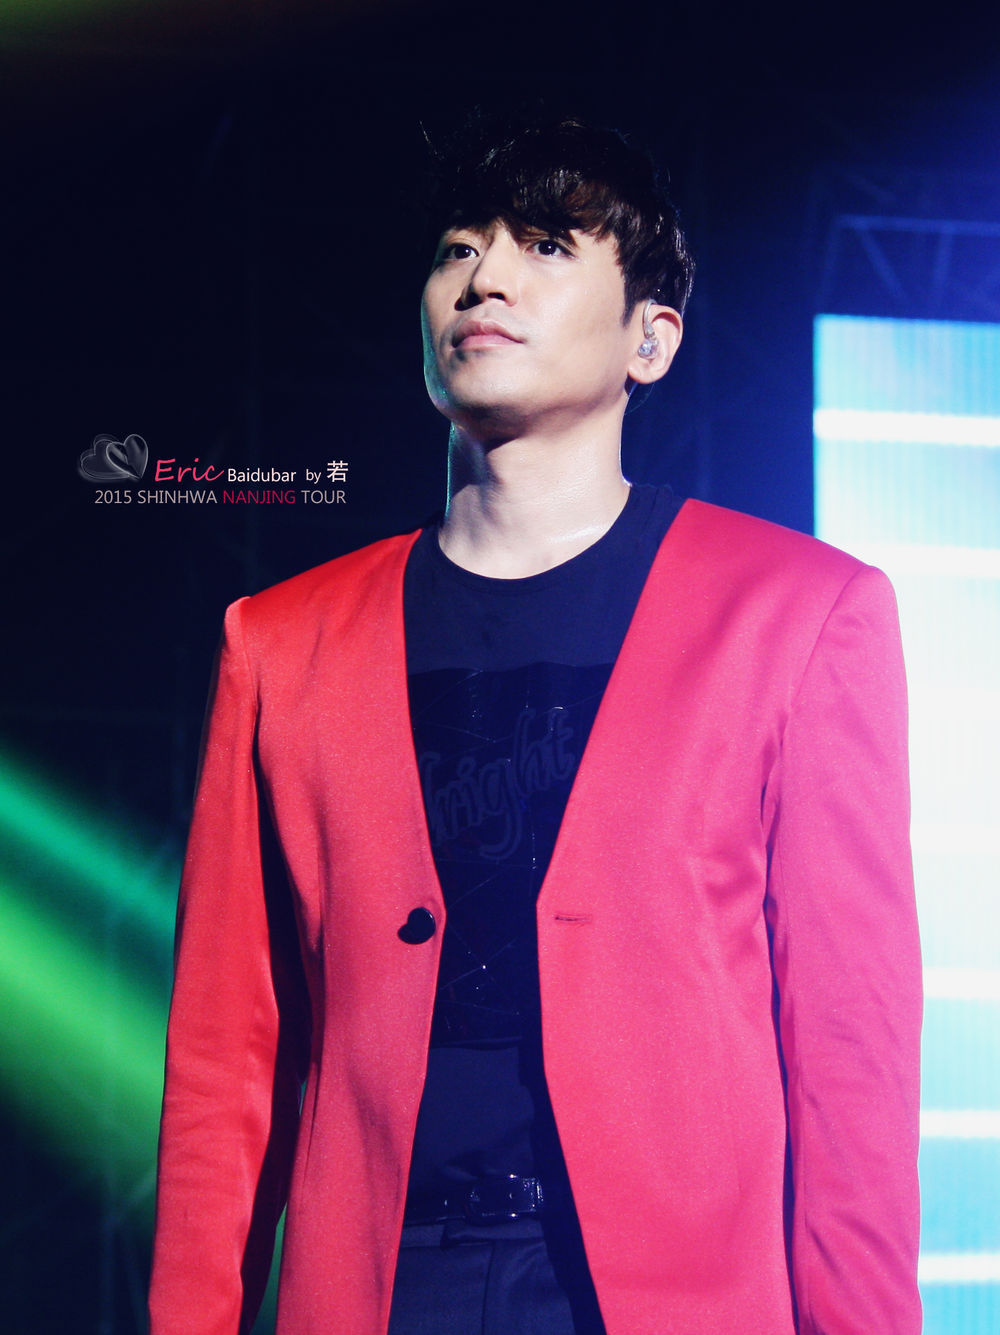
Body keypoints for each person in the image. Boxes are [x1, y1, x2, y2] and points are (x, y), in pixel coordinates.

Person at [149, 114, 923, 1335]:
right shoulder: (280, 642)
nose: (485, 279)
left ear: (650, 339)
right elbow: (224, 1058)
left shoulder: (799, 615)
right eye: (457, 250)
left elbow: (848, 1049)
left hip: (667, 1297)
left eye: (547, 245)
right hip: (381, 1286)